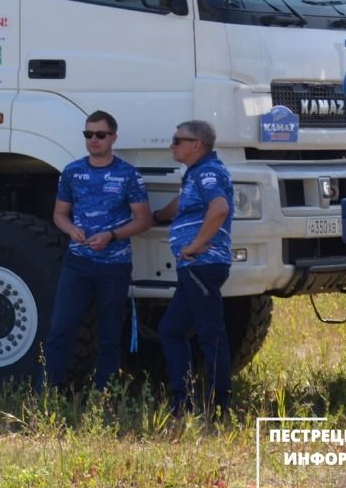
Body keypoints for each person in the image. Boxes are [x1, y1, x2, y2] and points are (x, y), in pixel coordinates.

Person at [43, 110, 153, 390]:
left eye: (100, 135)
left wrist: (112, 235)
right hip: (77, 262)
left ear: (113, 137)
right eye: (88, 134)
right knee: (60, 329)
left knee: (109, 335)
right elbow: (59, 213)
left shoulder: (128, 175)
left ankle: (105, 394)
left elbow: (143, 219)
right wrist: (70, 230)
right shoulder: (72, 171)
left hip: (114, 266)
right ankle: (48, 391)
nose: (94, 140)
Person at [153, 119, 234, 417]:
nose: (172, 145)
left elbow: (220, 207)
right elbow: (184, 203)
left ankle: (219, 407)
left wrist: (197, 244)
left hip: (202, 264)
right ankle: (182, 402)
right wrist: (158, 215)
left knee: (210, 334)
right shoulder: (195, 174)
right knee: (171, 329)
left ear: (197, 144)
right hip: (192, 266)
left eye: (177, 140)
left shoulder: (209, 172)